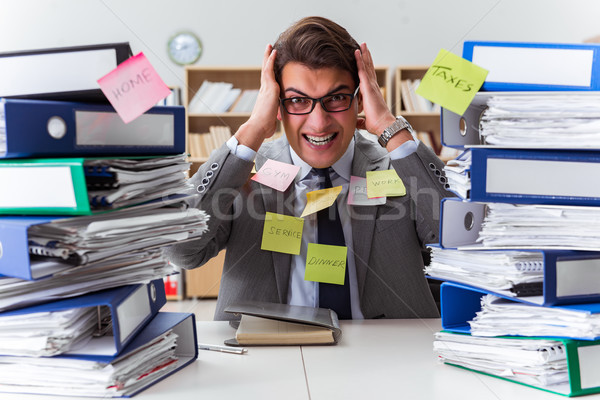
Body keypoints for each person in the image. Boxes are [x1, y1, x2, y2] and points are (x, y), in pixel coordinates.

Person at [166, 16, 453, 321]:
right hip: (266, 356)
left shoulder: (398, 167)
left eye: (337, 98)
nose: (319, 122)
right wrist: (250, 131)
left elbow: (457, 240)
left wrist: (388, 126)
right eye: (298, 100)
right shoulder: (244, 173)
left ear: (359, 102)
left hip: (390, 355)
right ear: (277, 105)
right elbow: (181, 250)